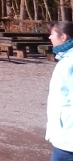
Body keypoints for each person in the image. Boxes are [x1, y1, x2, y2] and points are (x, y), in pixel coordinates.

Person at [47, 21, 73, 160]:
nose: (49, 38)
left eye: (52, 34)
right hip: (65, 138)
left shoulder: (70, 62)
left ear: (63, 37)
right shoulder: (65, 60)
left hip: (68, 141)